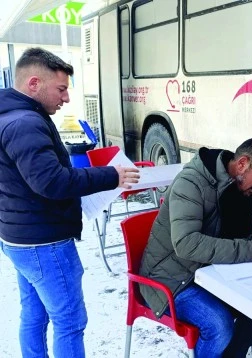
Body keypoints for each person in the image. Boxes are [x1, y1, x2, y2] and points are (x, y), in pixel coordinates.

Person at [0, 47, 140, 358]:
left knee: (34, 315)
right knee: (70, 322)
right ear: (34, 83)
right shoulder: (25, 123)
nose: (66, 99)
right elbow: (52, 182)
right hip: (44, 241)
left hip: (19, 236)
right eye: (61, 89)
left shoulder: (12, 116)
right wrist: (110, 176)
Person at [140, 137, 252, 358]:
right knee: (219, 326)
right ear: (242, 164)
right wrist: (250, 249)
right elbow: (186, 244)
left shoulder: (246, 187)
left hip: (211, 272)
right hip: (172, 279)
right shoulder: (191, 182)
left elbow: (233, 235)